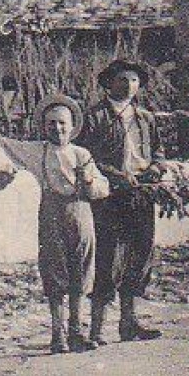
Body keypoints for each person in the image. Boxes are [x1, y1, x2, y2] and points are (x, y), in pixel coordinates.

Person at [78, 58, 166, 345]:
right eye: (122, 79)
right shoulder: (95, 117)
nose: (128, 85)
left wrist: (154, 168)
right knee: (108, 257)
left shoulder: (145, 117)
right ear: (108, 83)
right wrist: (117, 175)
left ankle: (129, 323)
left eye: (134, 80)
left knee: (139, 254)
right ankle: (97, 328)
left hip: (141, 192)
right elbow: (86, 156)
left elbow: (159, 152)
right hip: (109, 196)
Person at [32, 94, 111, 354]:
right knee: (54, 270)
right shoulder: (37, 152)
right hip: (51, 215)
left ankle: (77, 331)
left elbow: (103, 187)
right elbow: (5, 146)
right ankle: (58, 334)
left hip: (80, 212)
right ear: (44, 126)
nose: (57, 128)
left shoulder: (81, 154)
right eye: (51, 123)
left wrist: (90, 183)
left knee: (81, 268)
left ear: (72, 125)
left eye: (62, 123)